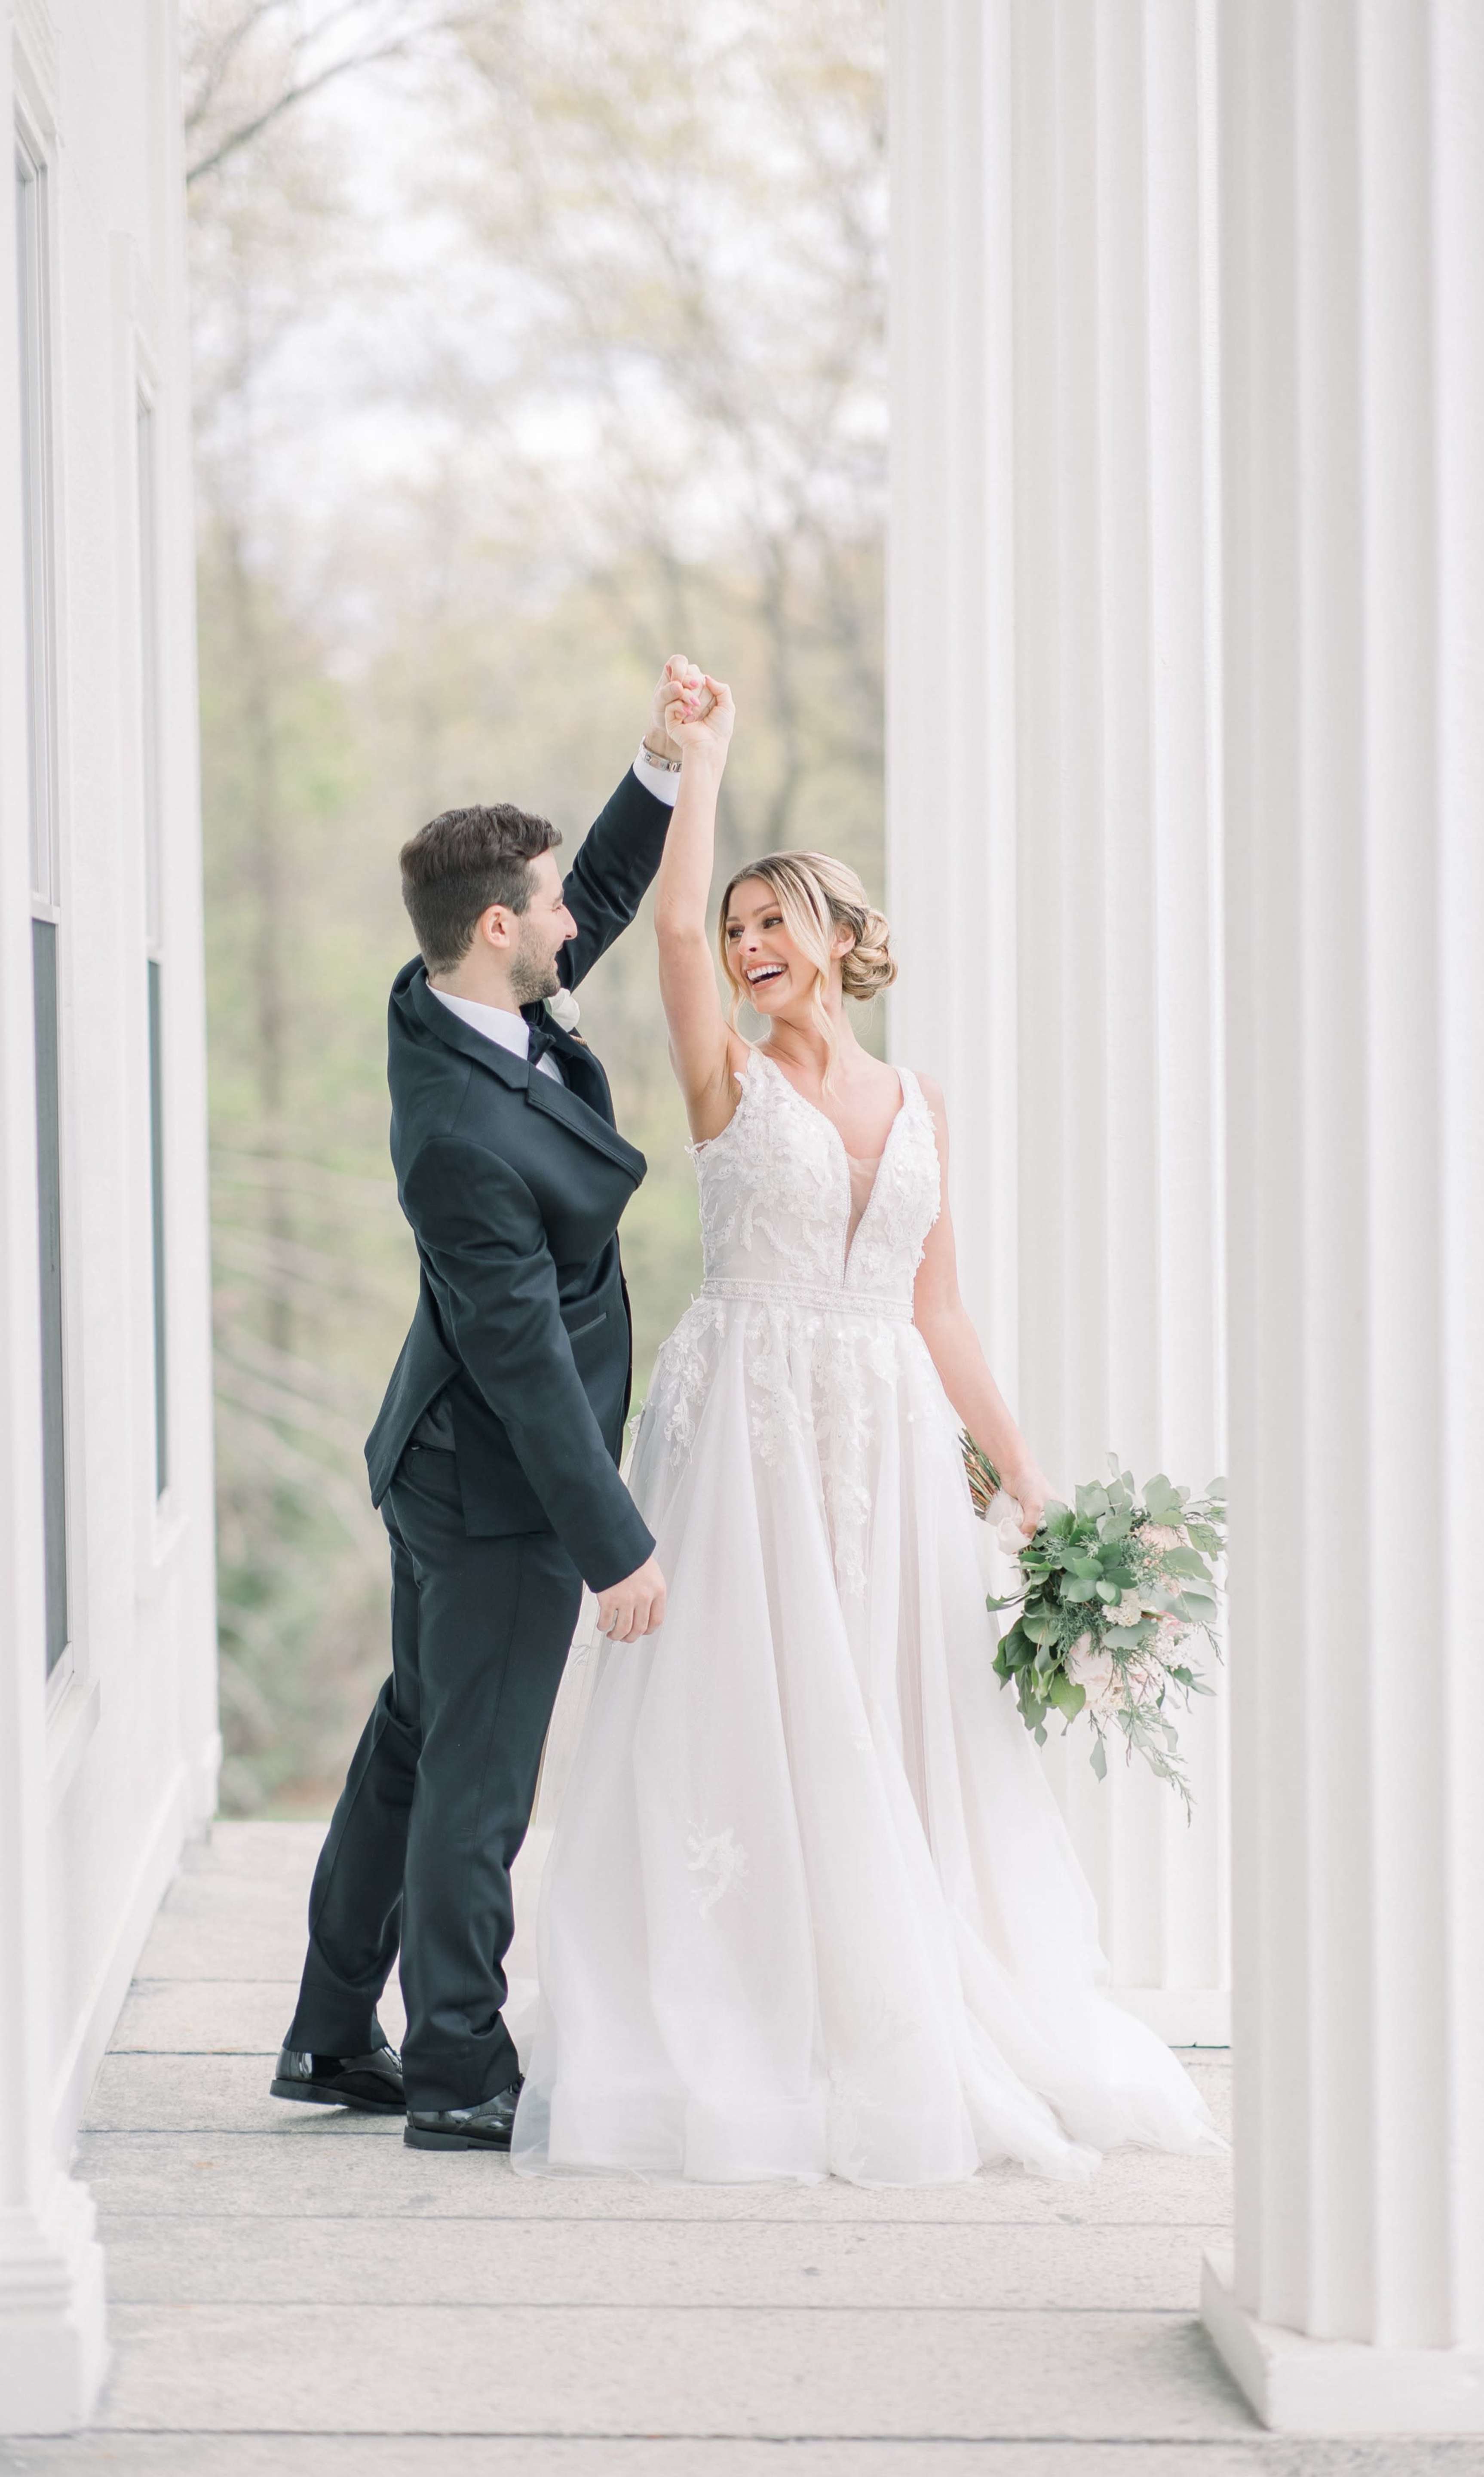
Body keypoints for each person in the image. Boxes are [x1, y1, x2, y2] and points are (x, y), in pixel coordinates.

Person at [514, 667, 1222, 2183]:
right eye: (744, 927)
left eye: (784, 923)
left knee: (896, 1722)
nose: (755, 945)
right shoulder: (723, 1078)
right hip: (747, 1434)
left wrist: (1025, 1478)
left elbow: (940, 1306)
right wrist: (699, 763)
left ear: (840, 936)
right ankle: (750, 1992)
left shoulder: (922, 1104)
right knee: (750, 1715)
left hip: (889, 1440)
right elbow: (678, 913)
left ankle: (910, 1988)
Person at [270, 661, 704, 2152]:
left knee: (413, 1740)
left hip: (439, 1452)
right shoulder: (457, 1130)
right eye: (549, 908)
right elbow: (520, 1356)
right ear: (497, 927)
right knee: (474, 1771)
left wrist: (658, 764)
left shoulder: (464, 999)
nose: (571, 918)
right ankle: (456, 2065)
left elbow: (595, 883)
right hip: (495, 1480)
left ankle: (333, 2036)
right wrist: (617, 1543)